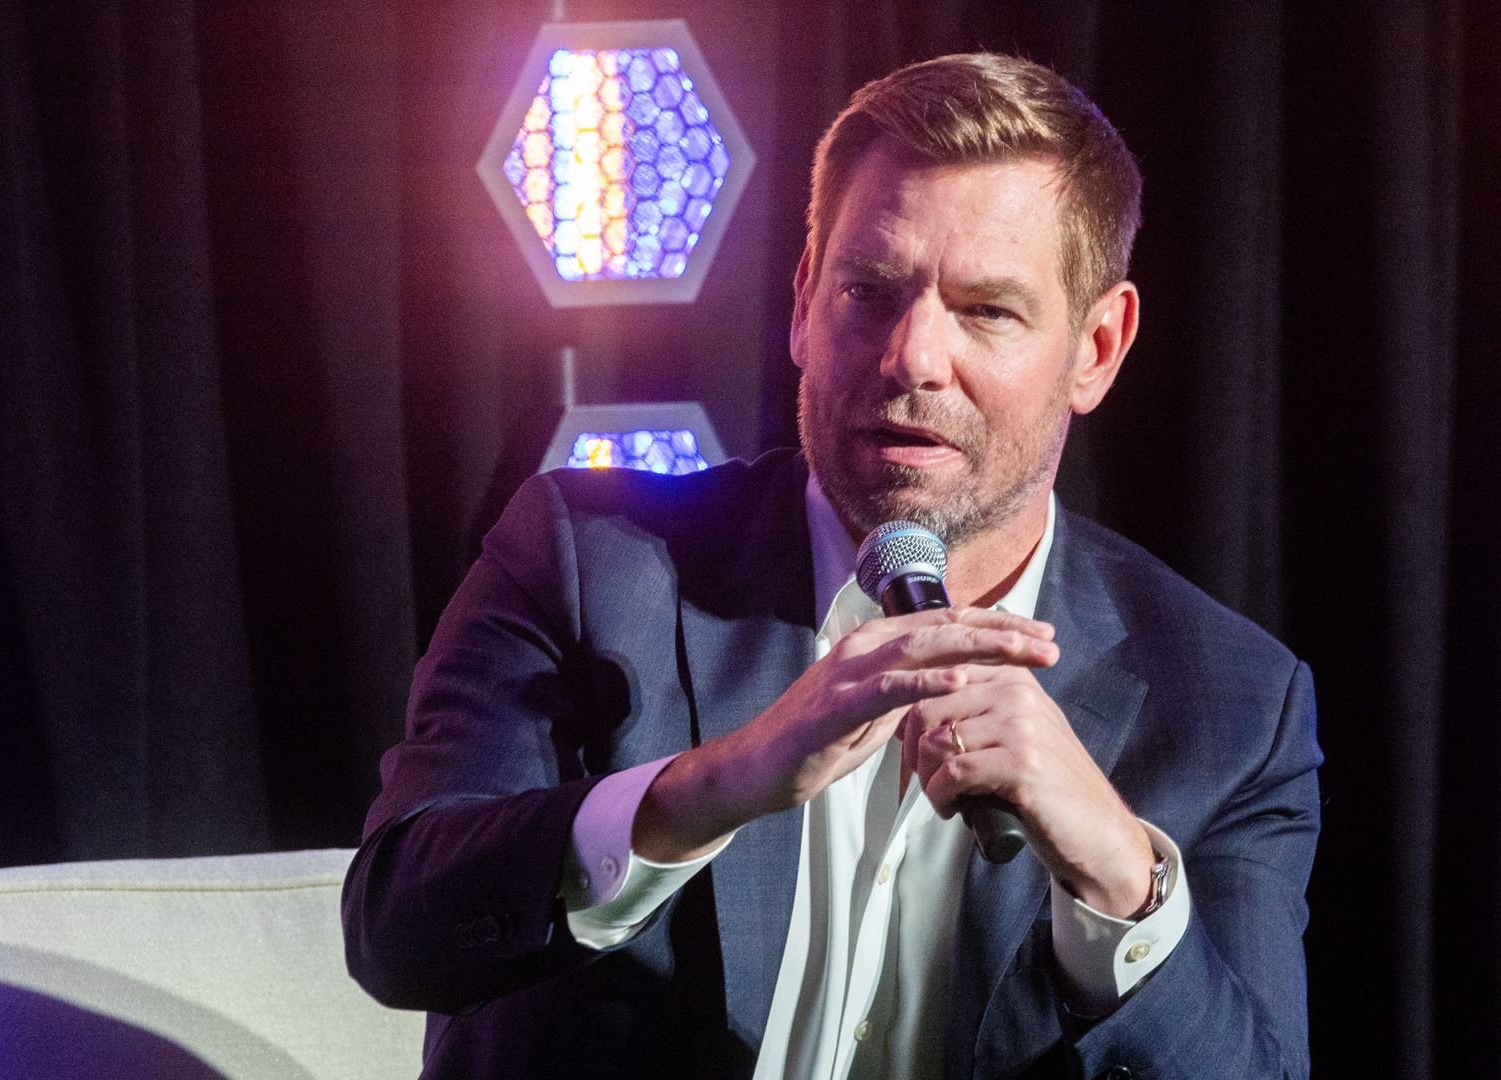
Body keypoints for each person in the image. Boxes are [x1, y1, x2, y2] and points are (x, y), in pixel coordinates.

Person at [342, 52, 1321, 1080]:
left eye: (988, 310)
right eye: (871, 290)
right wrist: (709, 788)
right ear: (805, 301)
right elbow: (395, 928)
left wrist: (1120, 879)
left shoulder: (1234, 707)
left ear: (1098, 347)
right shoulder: (591, 561)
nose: (911, 357)